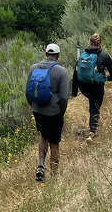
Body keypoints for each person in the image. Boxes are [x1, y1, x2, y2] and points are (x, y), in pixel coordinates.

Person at [26, 43, 70, 182]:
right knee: (54, 143)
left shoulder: (33, 68)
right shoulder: (62, 71)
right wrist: (61, 112)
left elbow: (27, 92)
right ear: (57, 56)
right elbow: (63, 97)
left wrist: (34, 106)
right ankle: (55, 176)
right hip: (54, 112)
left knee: (43, 136)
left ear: (46, 54)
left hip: (38, 110)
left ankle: (40, 164)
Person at [71, 32, 112, 139]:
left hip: (83, 87)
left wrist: (74, 91)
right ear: (100, 43)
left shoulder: (83, 55)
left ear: (90, 42)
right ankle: (92, 132)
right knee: (95, 107)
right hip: (96, 87)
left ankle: (92, 128)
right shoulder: (104, 56)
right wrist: (106, 78)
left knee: (92, 103)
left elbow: (75, 74)